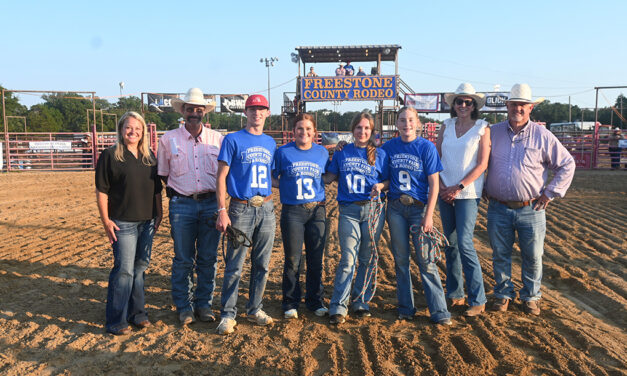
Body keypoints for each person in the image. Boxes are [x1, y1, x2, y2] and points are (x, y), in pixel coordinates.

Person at [486, 83, 575, 316]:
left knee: (533, 255)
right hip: (498, 205)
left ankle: (531, 296)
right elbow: (477, 161)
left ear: (530, 107)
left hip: (531, 206)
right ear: (507, 106)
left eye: (522, 105)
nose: (518, 108)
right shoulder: (492, 132)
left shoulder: (543, 135)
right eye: (514, 104)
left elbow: (567, 164)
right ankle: (503, 294)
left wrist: (550, 193)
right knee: (499, 254)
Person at [157, 88, 223, 325]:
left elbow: (224, 175)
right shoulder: (168, 139)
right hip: (182, 204)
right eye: (189, 109)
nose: (194, 113)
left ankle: (203, 304)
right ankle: (184, 306)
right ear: (182, 111)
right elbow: (163, 174)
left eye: (198, 109)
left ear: (204, 112)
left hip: (210, 203)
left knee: (207, 258)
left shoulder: (218, 139)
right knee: (183, 259)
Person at [382, 106, 452, 325]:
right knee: (401, 260)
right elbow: (374, 163)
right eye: (402, 120)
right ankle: (405, 307)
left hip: (419, 208)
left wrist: (429, 215)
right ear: (397, 124)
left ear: (418, 123)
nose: (406, 124)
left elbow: (434, 184)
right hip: (395, 208)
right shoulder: (388, 147)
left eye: (410, 120)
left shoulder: (426, 148)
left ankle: (439, 310)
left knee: (426, 260)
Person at [95, 111, 163, 335]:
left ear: (143, 132)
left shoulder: (149, 156)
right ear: (121, 130)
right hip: (122, 222)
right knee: (124, 270)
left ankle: (138, 314)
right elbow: (102, 191)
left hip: (147, 221)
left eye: (137, 128)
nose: (133, 132)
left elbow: (156, 190)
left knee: (140, 269)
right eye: (128, 128)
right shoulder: (111, 155)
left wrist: (159, 214)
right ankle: (116, 320)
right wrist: (105, 219)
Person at [215, 94, 277, 335]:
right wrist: (222, 210)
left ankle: (255, 308)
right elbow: (221, 177)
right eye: (253, 109)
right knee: (235, 264)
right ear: (246, 112)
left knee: (262, 264)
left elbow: (272, 176)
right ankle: (228, 313)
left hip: (267, 207)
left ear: (267, 113)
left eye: (261, 109)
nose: (257, 113)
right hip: (241, 207)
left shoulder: (271, 143)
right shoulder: (232, 140)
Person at [324, 111, 389, 324]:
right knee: (348, 258)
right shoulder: (343, 151)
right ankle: (338, 305)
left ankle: (361, 300)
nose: (362, 132)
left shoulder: (380, 155)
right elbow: (330, 176)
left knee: (367, 258)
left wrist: (381, 185)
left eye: (366, 128)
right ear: (353, 130)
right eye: (359, 128)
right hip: (349, 211)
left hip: (372, 210)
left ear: (372, 131)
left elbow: (388, 180)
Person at [437, 83, 490, 317]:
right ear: (454, 105)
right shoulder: (445, 126)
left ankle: (478, 298)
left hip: (467, 193)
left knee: (465, 243)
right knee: (450, 244)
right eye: (459, 102)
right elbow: (436, 158)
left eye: (468, 102)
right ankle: (455, 293)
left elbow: (482, 164)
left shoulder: (482, 128)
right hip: (445, 191)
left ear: (474, 106)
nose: (463, 106)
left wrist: (458, 187)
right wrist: (441, 188)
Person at [272, 113, 329, 319]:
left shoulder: (322, 152)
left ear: (314, 132)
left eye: (308, 129)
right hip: (293, 211)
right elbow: (273, 176)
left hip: (317, 210)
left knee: (316, 259)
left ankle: (315, 301)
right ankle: (290, 302)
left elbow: (328, 176)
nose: (304, 132)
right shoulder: (283, 152)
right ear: (293, 131)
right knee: (293, 259)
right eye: (299, 129)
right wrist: (286, 186)